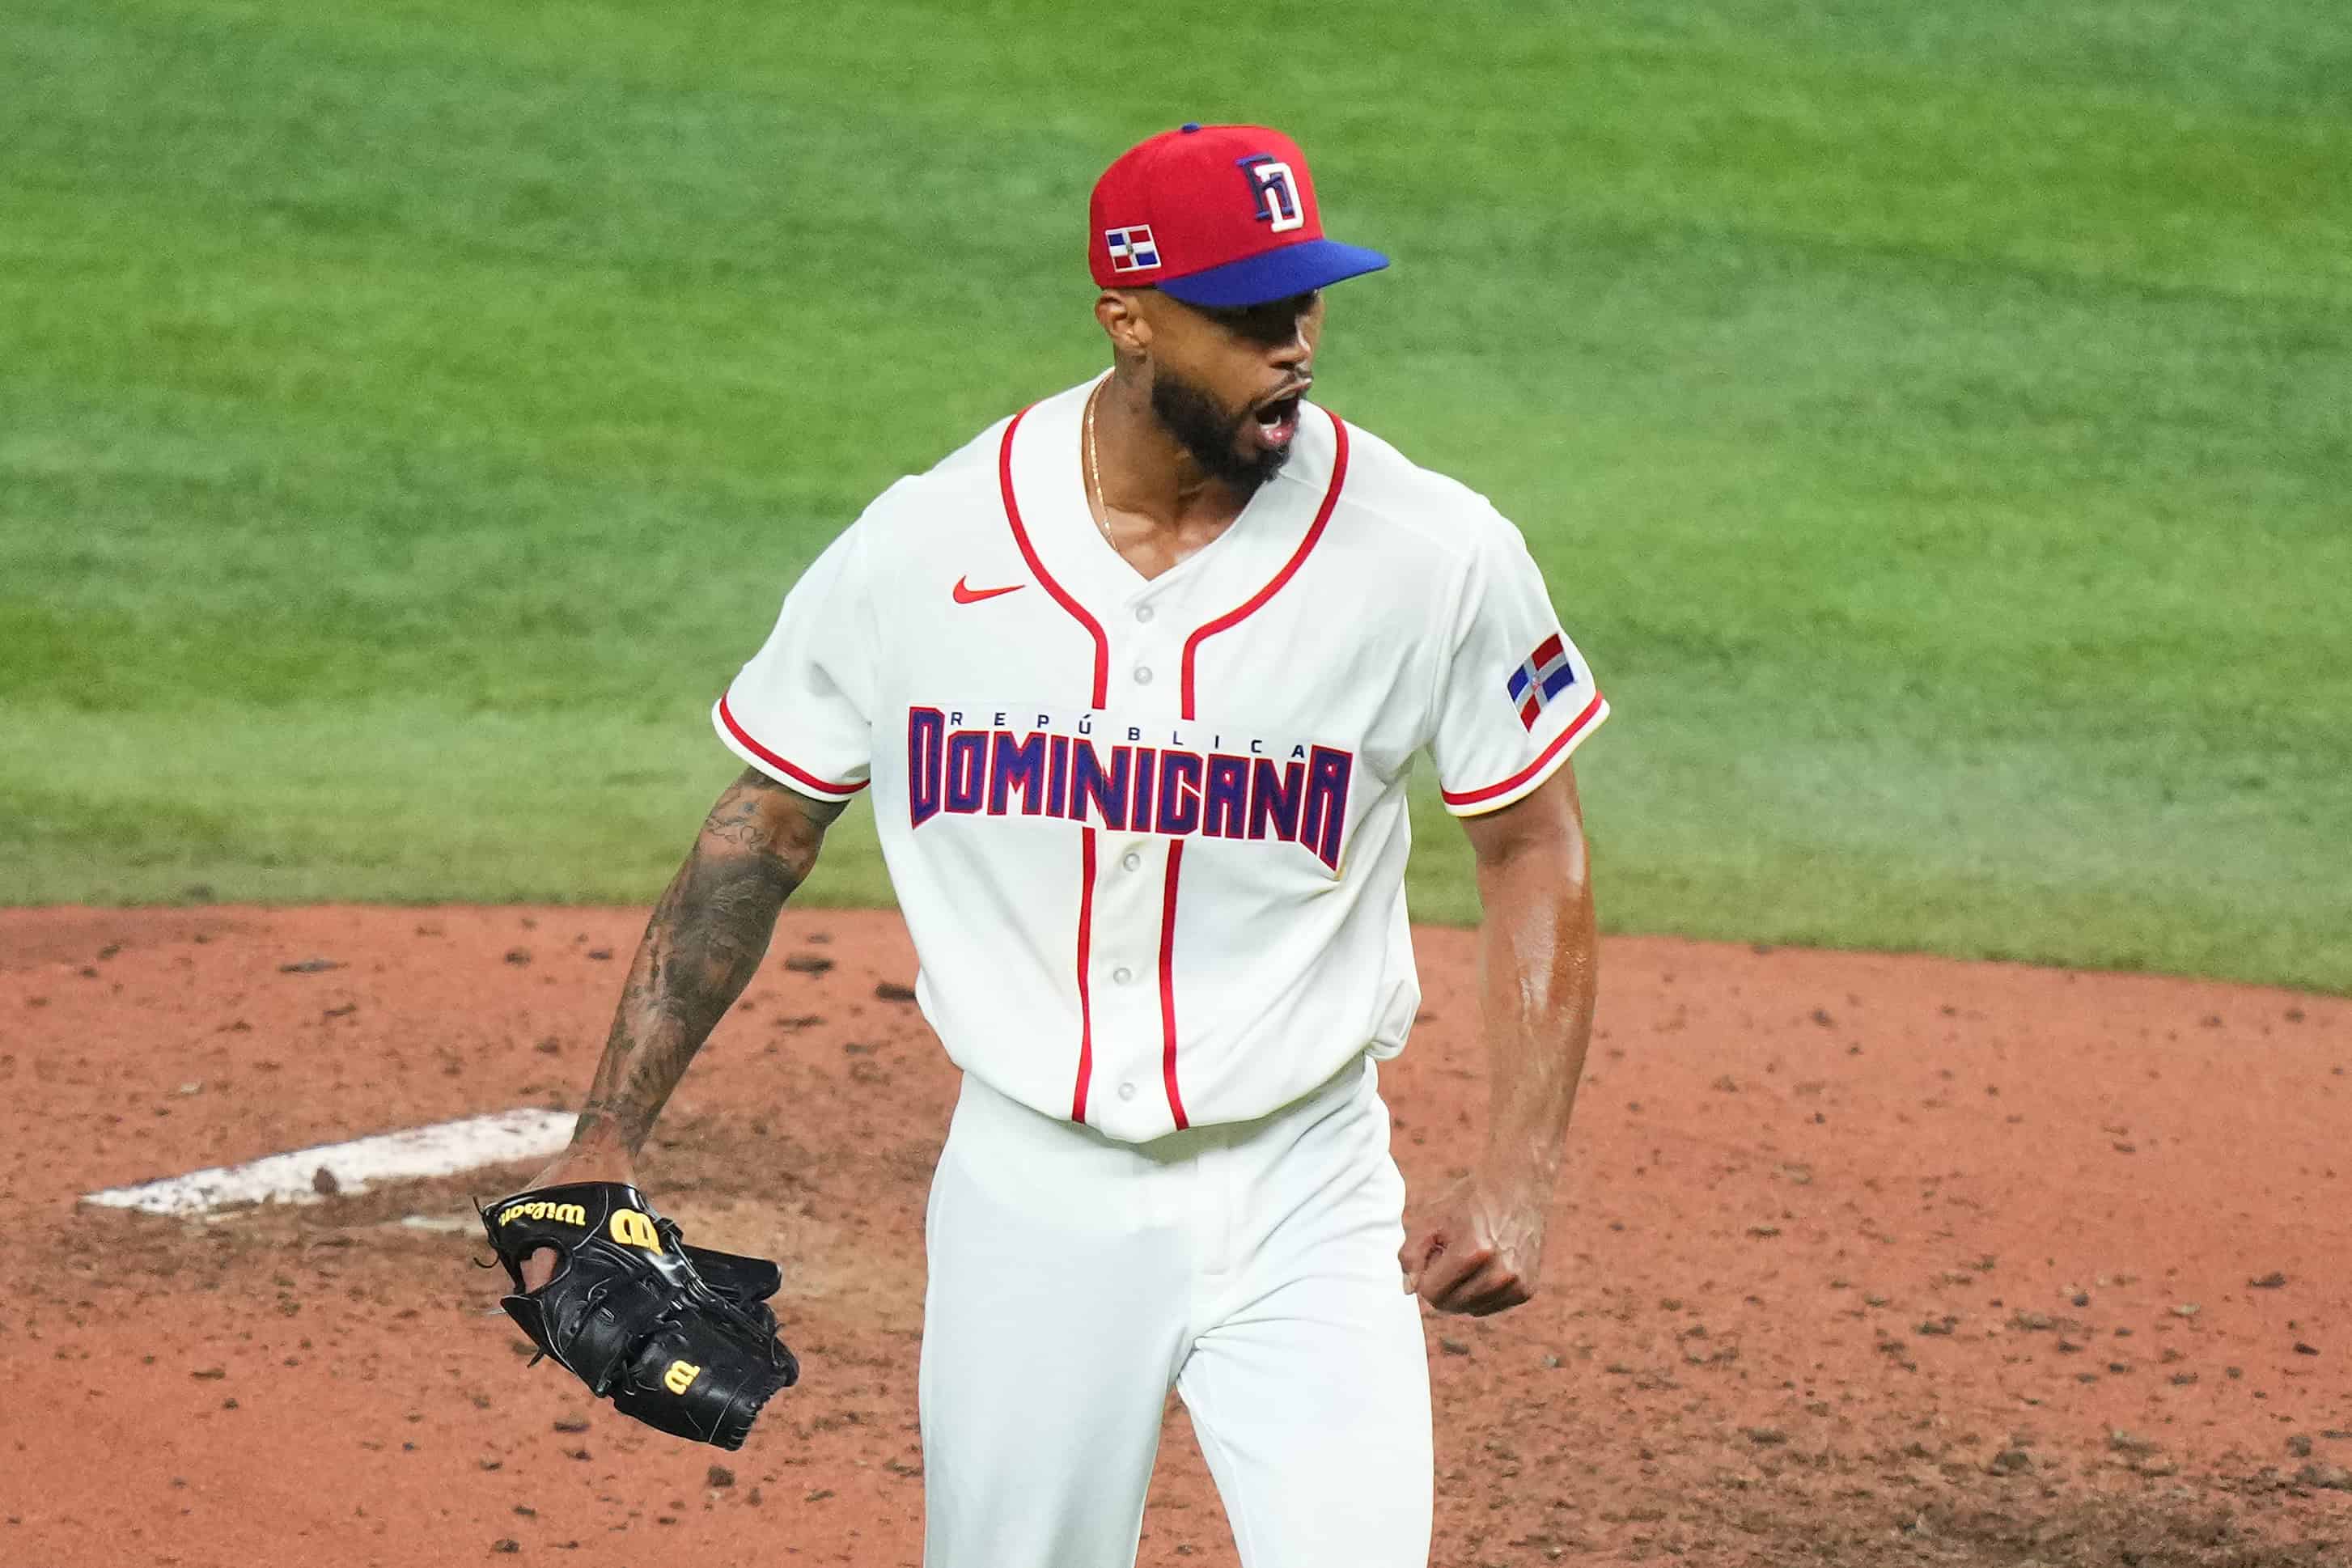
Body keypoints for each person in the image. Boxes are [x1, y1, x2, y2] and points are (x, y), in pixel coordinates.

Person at [514, 121, 1607, 1567]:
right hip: (1032, 1200)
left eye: (1309, 302)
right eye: (1248, 316)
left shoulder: (1433, 553)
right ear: (1128, 315)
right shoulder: (924, 546)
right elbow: (762, 830)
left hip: (1311, 1188)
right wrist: (608, 1136)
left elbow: (1533, 839)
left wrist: (1518, 1172)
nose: (1294, 346)